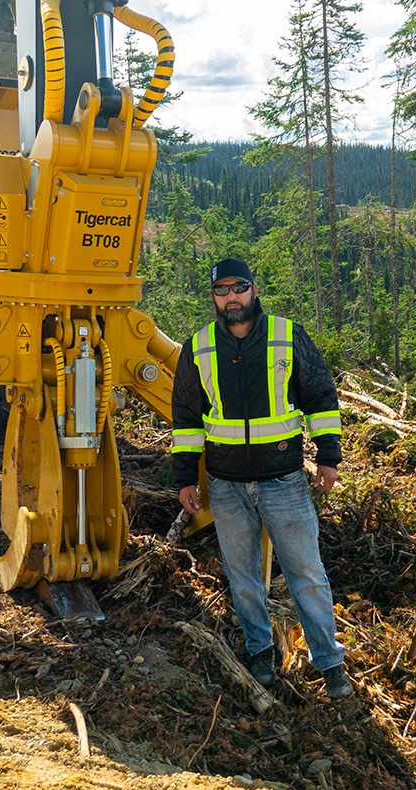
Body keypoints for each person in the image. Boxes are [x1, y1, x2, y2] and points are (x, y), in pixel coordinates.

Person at [171, 257, 353, 699]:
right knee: (243, 575)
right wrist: (184, 477)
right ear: (213, 296)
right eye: (222, 291)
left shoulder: (286, 336)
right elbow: (187, 419)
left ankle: (329, 663)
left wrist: (328, 454)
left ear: (254, 290)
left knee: (306, 573)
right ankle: (260, 653)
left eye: (239, 288)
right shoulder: (197, 347)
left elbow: (320, 394)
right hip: (225, 484)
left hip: (283, 480)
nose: (231, 298)